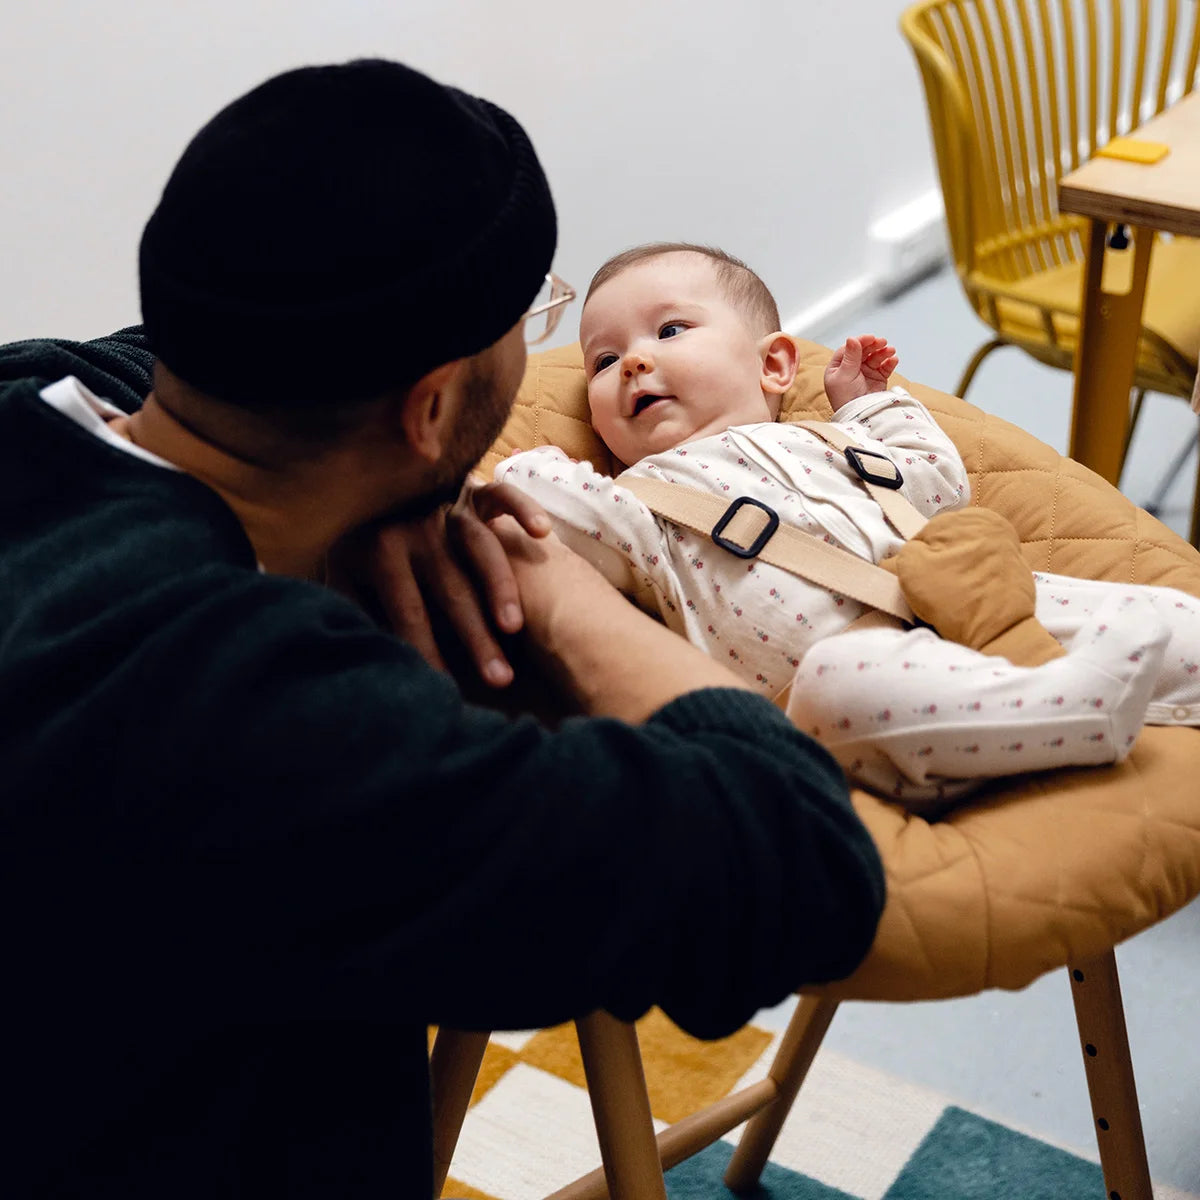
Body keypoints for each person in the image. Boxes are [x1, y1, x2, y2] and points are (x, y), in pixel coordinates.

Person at [0, 66, 887, 1197]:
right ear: (427, 410)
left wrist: (375, 497)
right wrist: (556, 586)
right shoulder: (272, 714)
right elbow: (802, 863)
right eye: (537, 321)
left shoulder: (33, 390)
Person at [495, 242, 1200, 805]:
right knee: (837, 687)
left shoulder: (827, 438)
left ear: (774, 365)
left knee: (1161, 615)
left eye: (670, 330)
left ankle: (1109, 679)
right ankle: (1071, 708)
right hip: (856, 688)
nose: (635, 361)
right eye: (605, 361)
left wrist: (867, 409)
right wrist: (523, 461)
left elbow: (938, 490)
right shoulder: (643, 504)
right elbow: (539, 501)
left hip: (975, 608)